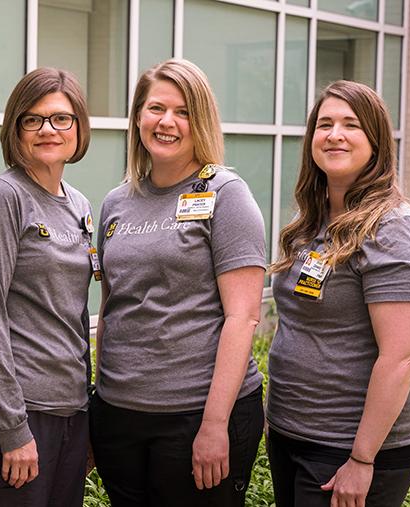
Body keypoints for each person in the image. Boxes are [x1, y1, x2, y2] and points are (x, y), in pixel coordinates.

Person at [90, 58, 267, 507]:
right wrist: (99, 399)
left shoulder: (226, 194)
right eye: (156, 108)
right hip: (119, 415)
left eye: (183, 111)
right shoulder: (116, 202)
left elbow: (242, 317)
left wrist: (214, 424)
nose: (167, 122)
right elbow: (112, 309)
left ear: (201, 120)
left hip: (195, 417)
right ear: (138, 118)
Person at [266, 80, 410, 507]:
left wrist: (362, 459)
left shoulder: (393, 229)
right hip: (295, 434)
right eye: (324, 124)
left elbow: (402, 357)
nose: (334, 134)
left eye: (351, 125)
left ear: (376, 141)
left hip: (351, 449)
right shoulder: (314, 221)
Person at [0, 67, 93, 507]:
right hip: (12, 417)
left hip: (68, 412)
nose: (47, 129)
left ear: (78, 126)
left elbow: (72, 313)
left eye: (60, 118)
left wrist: (84, 414)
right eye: (32, 119)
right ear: (15, 129)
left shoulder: (80, 205)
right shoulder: (2, 197)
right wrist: (13, 429)